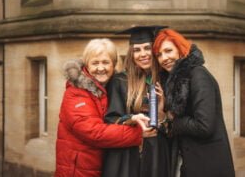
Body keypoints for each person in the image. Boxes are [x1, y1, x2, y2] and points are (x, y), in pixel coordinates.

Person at [55, 38, 151, 177]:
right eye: (95, 63)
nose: (101, 68)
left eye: (106, 62)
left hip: (96, 166)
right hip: (78, 170)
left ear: (114, 64)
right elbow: (95, 133)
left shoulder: (108, 88)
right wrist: (139, 134)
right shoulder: (76, 93)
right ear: (86, 65)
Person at [153, 29, 235, 177]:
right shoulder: (174, 81)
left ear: (180, 49)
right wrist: (163, 114)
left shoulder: (198, 75)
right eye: (159, 55)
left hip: (208, 164)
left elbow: (204, 126)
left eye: (168, 51)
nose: (164, 58)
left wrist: (171, 118)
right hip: (189, 162)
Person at [102, 26, 170, 177]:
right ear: (131, 54)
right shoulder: (120, 81)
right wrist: (132, 119)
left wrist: (161, 114)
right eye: (137, 50)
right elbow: (111, 120)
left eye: (147, 48)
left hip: (157, 154)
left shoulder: (165, 80)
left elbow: (174, 128)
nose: (143, 54)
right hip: (128, 155)